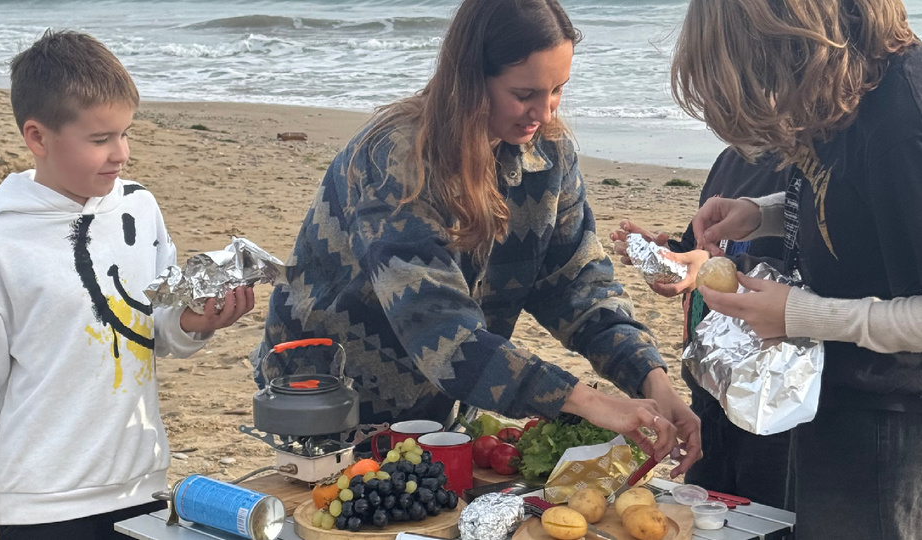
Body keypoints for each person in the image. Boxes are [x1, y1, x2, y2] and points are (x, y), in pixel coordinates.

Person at [255, 0, 700, 474]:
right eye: (524, 94)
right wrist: (590, 402)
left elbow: (578, 287)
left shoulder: (549, 154)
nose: (543, 113)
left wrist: (652, 381)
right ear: (469, 79)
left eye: (557, 90)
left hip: (442, 394)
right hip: (324, 396)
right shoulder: (396, 159)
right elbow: (440, 329)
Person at [666, 0, 922, 537]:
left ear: (793, 40)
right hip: (837, 392)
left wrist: (801, 315)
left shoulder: (910, 120)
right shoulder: (848, 87)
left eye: (761, 78)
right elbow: (855, 200)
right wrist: (761, 214)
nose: (769, 99)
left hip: (901, 418)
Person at [0, 30, 255, 540]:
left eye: (126, 133)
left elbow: (154, 330)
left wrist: (193, 323)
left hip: (143, 487)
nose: (121, 153)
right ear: (38, 137)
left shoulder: (140, 208)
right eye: (100, 139)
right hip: (43, 507)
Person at [608, 148, 792, 507]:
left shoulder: (802, 166)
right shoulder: (730, 159)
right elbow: (705, 247)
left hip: (770, 399)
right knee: (701, 514)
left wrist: (707, 266)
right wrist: (669, 256)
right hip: (707, 387)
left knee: (765, 517)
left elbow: (804, 284)